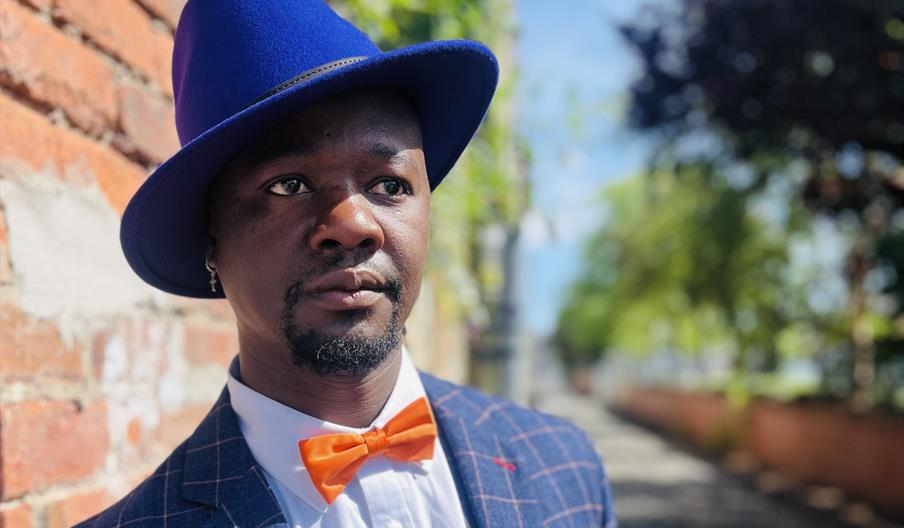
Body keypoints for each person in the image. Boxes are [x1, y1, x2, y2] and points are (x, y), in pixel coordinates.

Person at [77, 1, 616, 526]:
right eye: (288, 185)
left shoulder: (565, 470)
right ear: (210, 240)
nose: (354, 222)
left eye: (389, 184)